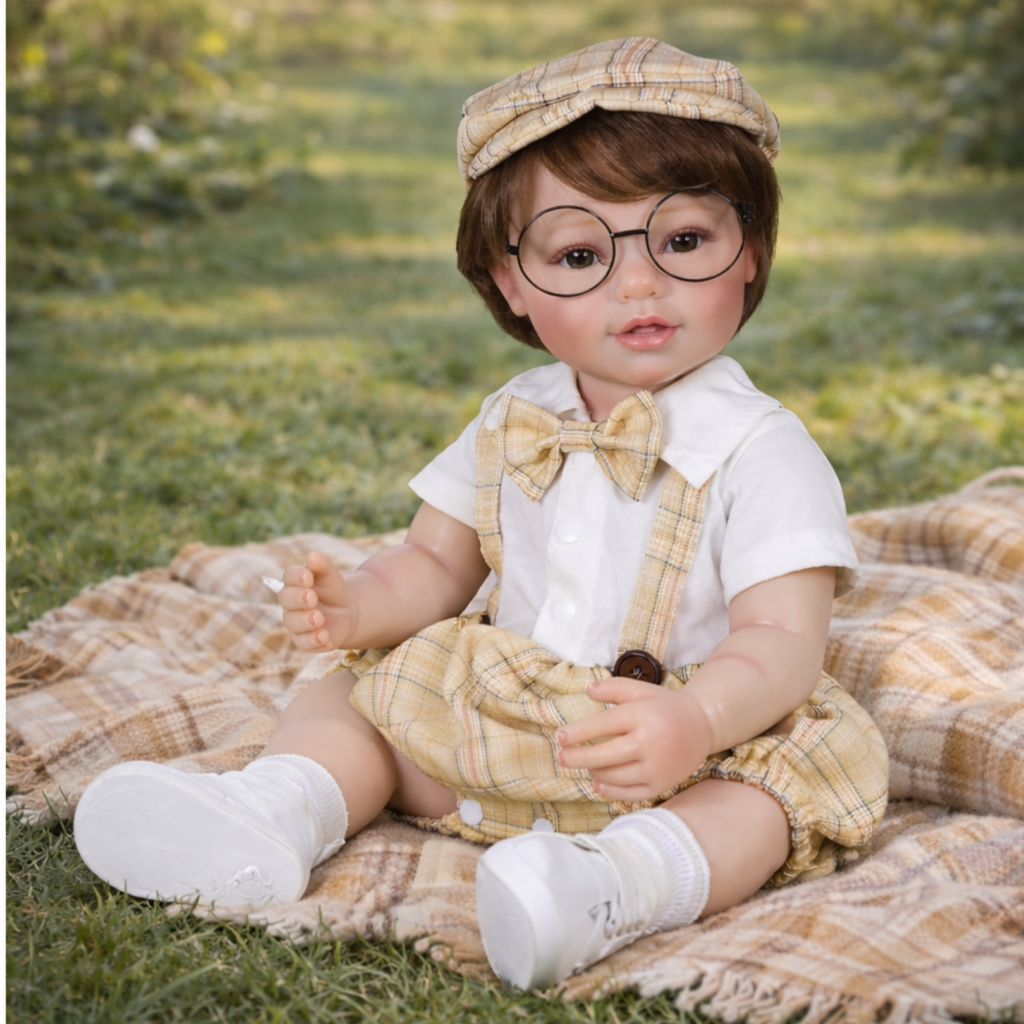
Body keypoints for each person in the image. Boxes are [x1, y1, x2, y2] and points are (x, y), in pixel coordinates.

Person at [74, 38, 889, 990]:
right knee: (354, 694)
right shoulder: (517, 416)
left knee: (769, 799)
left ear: (747, 252)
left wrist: (695, 719)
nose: (638, 283)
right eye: (581, 253)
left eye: (683, 241)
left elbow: (783, 643)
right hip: (496, 728)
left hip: (672, 751)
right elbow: (436, 565)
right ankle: (277, 810)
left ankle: (608, 887)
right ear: (510, 283)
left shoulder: (763, 449)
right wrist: (361, 607)